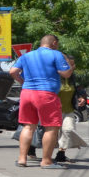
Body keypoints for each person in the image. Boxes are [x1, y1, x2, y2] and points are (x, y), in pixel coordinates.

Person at [9, 34, 74, 168]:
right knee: (51, 128)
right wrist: (70, 64)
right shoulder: (56, 54)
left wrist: (23, 81)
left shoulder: (26, 55)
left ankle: (22, 159)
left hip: (27, 94)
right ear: (54, 43)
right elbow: (66, 74)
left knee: (28, 126)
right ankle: (46, 161)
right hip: (46, 94)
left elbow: (12, 71)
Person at [55, 56, 87, 163]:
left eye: (73, 64)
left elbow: (78, 90)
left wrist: (81, 97)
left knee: (68, 130)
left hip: (68, 109)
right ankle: (32, 150)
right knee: (50, 133)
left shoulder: (72, 77)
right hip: (53, 110)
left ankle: (61, 154)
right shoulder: (55, 75)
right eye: (70, 64)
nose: (73, 67)